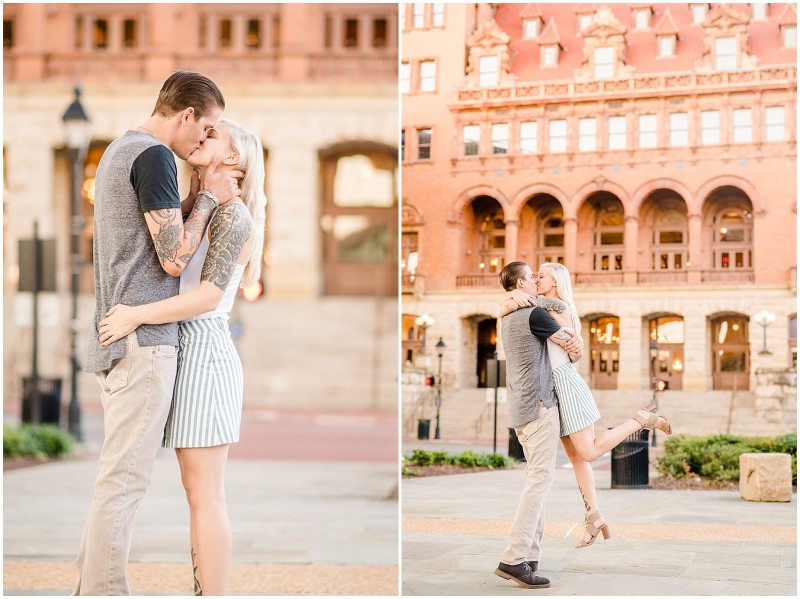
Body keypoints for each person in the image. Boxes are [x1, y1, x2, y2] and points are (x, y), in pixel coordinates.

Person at [76, 71, 241, 596]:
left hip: (118, 339)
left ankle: (90, 587)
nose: (204, 140)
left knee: (114, 481)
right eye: (206, 127)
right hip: (143, 344)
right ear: (186, 115)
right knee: (123, 485)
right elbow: (172, 257)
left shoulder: (117, 152)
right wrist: (211, 200)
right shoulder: (153, 158)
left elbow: (153, 240)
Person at [96, 119, 266, 596]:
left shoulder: (234, 215)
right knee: (194, 495)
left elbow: (209, 296)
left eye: (213, 137)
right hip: (179, 346)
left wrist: (135, 314)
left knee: (204, 495)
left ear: (230, 159)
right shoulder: (202, 209)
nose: (201, 139)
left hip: (205, 350)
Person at [499, 261, 672, 551]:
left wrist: (507, 300)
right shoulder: (540, 305)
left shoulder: (556, 306)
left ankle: (641, 420)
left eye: (541, 276)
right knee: (577, 457)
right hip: (553, 388)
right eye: (534, 276)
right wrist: (507, 300)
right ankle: (593, 516)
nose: (536, 280)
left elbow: (540, 315)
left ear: (554, 282)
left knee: (589, 451)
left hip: (566, 386)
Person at [493, 262, 584, 589]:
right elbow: (569, 341)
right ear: (521, 282)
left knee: (537, 478)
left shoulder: (506, 315)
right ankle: (514, 558)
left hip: (521, 407)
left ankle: (529, 556)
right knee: (540, 480)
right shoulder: (533, 314)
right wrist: (574, 338)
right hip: (541, 405)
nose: (536, 281)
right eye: (532, 277)